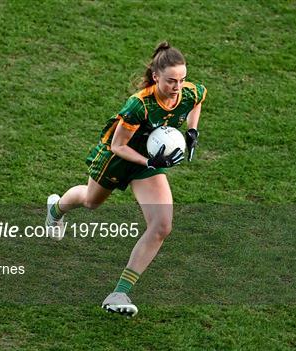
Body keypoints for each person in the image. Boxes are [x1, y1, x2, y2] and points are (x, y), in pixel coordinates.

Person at [46, 41, 207, 316]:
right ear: (156, 77)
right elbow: (118, 146)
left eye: (182, 79)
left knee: (162, 225)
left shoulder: (190, 92)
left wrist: (192, 131)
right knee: (90, 201)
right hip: (118, 158)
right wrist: (148, 160)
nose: (178, 86)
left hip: (149, 162)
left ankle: (118, 293)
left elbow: (198, 100)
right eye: (171, 81)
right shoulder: (139, 105)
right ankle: (56, 209)